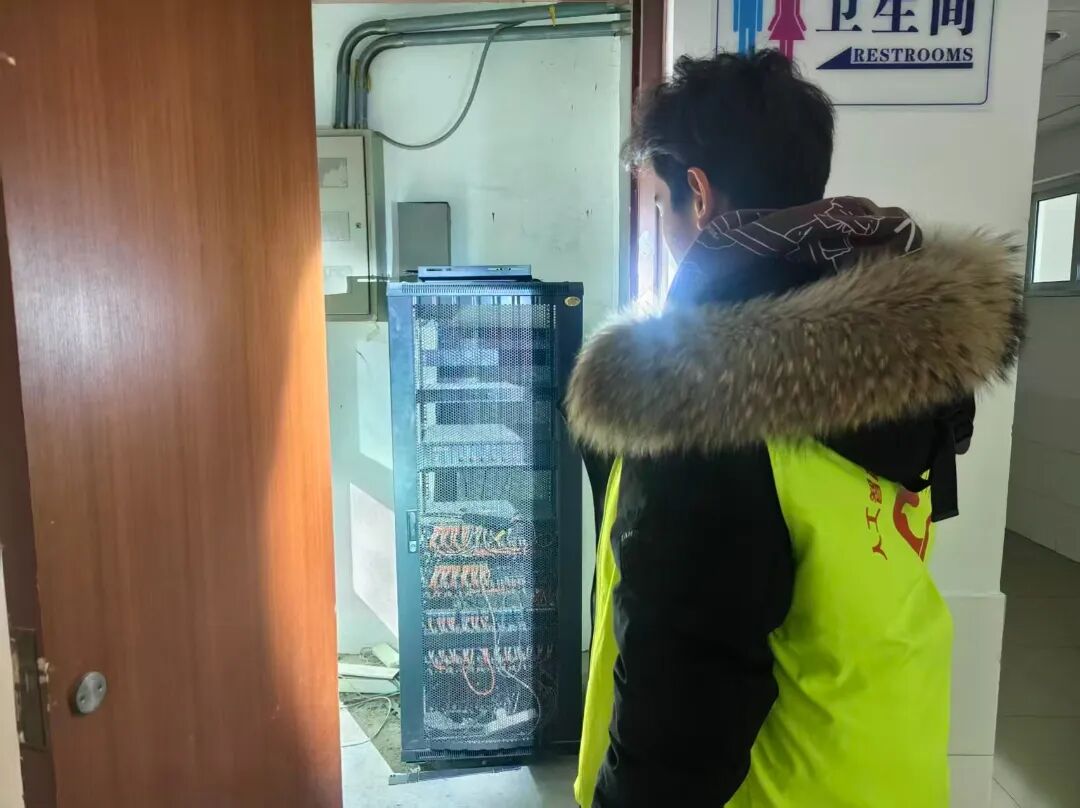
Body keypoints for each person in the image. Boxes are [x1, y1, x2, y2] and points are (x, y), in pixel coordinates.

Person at [569, 50, 1023, 808]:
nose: (662, 227)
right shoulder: (892, 363)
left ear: (699, 195)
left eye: (660, 205)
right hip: (886, 774)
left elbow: (683, 716)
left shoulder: (705, 406)